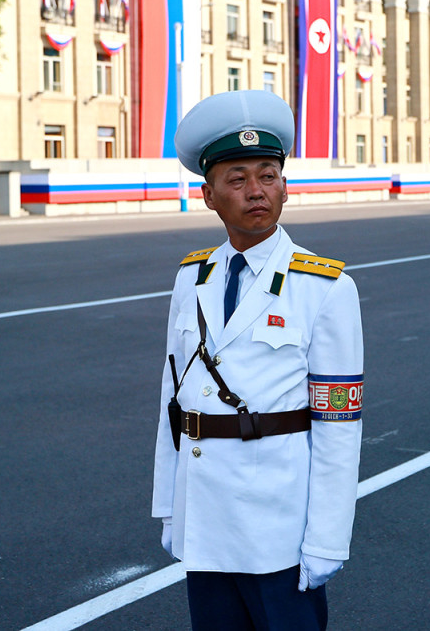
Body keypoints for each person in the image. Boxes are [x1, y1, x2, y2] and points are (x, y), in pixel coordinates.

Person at [153, 89, 364, 631]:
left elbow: (339, 427)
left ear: (286, 187)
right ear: (208, 195)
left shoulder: (326, 288)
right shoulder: (191, 278)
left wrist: (327, 538)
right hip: (206, 517)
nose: (256, 191)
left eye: (268, 175)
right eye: (238, 178)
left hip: (279, 529)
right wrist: (170, 505)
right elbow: (173, 400)